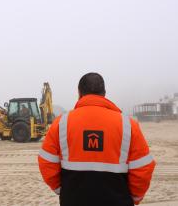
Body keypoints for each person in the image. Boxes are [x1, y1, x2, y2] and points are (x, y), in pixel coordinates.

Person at [38, 73, 156, 206]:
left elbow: (46, 162)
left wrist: (61, 189)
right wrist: (135, 197)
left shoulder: (61, 123)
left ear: (79, 93)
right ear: (104, 93)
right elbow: (143, 168)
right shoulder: (128, 124)